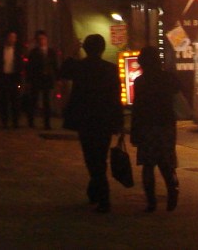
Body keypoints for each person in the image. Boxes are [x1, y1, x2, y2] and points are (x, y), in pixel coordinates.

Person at [61, 33, 123, 213]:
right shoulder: (110, 69)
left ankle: (102, 195)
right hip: (104, 118)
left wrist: (72, 52)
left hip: (85, 118)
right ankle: (96, 191)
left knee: (91, 157)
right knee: (100, 157)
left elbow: (63, 71)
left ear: (85, 49)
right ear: (102, 49)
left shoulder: (80, 67)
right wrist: (118, 120)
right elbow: (116, 96)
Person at [130, 48, 182, 212]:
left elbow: (138, 108)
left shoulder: (140, 81)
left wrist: (134, 130)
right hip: (166, 124)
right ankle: (172, 190)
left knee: (148, 165)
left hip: (147, 126)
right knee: (166, 162)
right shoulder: (168, 78)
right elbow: (177, 89)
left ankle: (151, 201)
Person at [26, 30, 62, 130]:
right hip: (36, 79)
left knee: (47, 101)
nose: (41, 41)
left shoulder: (51, 52)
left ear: (46, 39)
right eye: (39, 39)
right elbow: (30, 67)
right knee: (34, 100)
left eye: (43, 39)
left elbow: (55, 66)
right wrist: (29, 80)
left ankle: (47, 123)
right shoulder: (33, 52)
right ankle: (31, 121)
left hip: (47, 79)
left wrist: (58, 78)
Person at [0, 30, 27, 128]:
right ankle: (5, 121)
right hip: (3, 77)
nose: (12, 39)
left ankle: (15, 121)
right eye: (11, 37)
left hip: (14, 77)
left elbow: (20, 64)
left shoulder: (18, 51)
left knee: (15, 100)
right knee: (4, 100)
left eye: (14, 37)